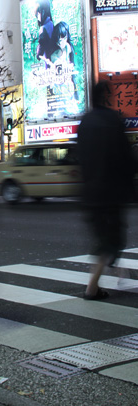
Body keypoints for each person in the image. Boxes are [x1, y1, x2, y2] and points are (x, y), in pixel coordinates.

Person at [78, 82, 136, 300]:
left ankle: (118, 271)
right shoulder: (113, 120)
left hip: (90, 192)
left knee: (105, 236)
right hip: (111, 191)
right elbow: (125, 157)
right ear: (106, 96)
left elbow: (80, 158)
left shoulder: (84, 122)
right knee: (111, 239)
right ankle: (91, 289)